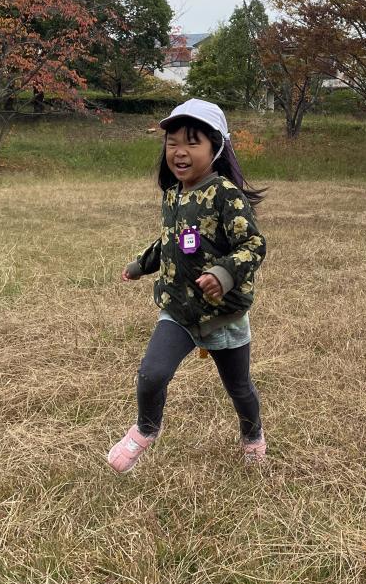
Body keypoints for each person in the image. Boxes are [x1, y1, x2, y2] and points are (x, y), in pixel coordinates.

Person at [107, 99, 267, 473]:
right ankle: (145, 430)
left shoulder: (225, 194)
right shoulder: (173, 194)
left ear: (216, 147)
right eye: (172, 142)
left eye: (192, 142)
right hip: (178, 308)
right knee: (152, 374)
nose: (179, 152)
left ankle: (253, 436)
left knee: (239, 387)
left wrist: (223, 275)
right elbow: (169, 240)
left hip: (223, 315)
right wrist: (140, 265)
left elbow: (254, 245)